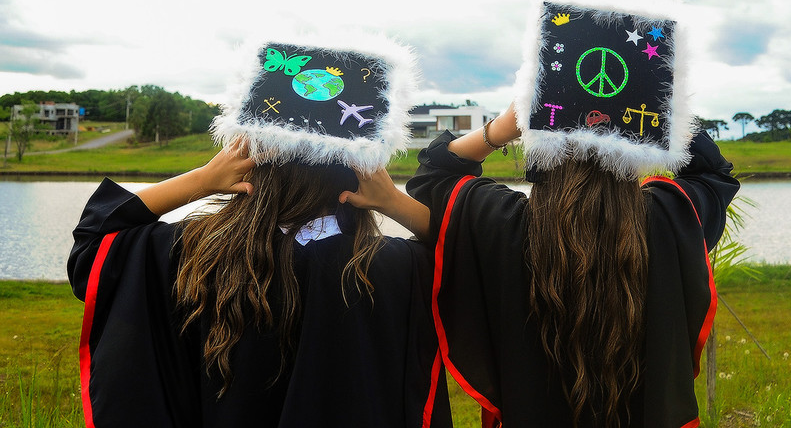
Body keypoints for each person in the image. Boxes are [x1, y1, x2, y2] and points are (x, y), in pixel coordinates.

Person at [68, 39, 450, 428]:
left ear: (249, 162)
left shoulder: (193, 252)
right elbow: (470, 253)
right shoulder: (390, 268)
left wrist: (202, 180)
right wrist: (394, 203)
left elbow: (97, 241)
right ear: (360, 172)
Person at [395, 99, 738, 428]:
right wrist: (653, 107)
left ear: (541, 155)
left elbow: (433, 173)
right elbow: (715, 174)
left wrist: (503, 127)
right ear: (632, 153)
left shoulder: (503, 225)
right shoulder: (668, 220)